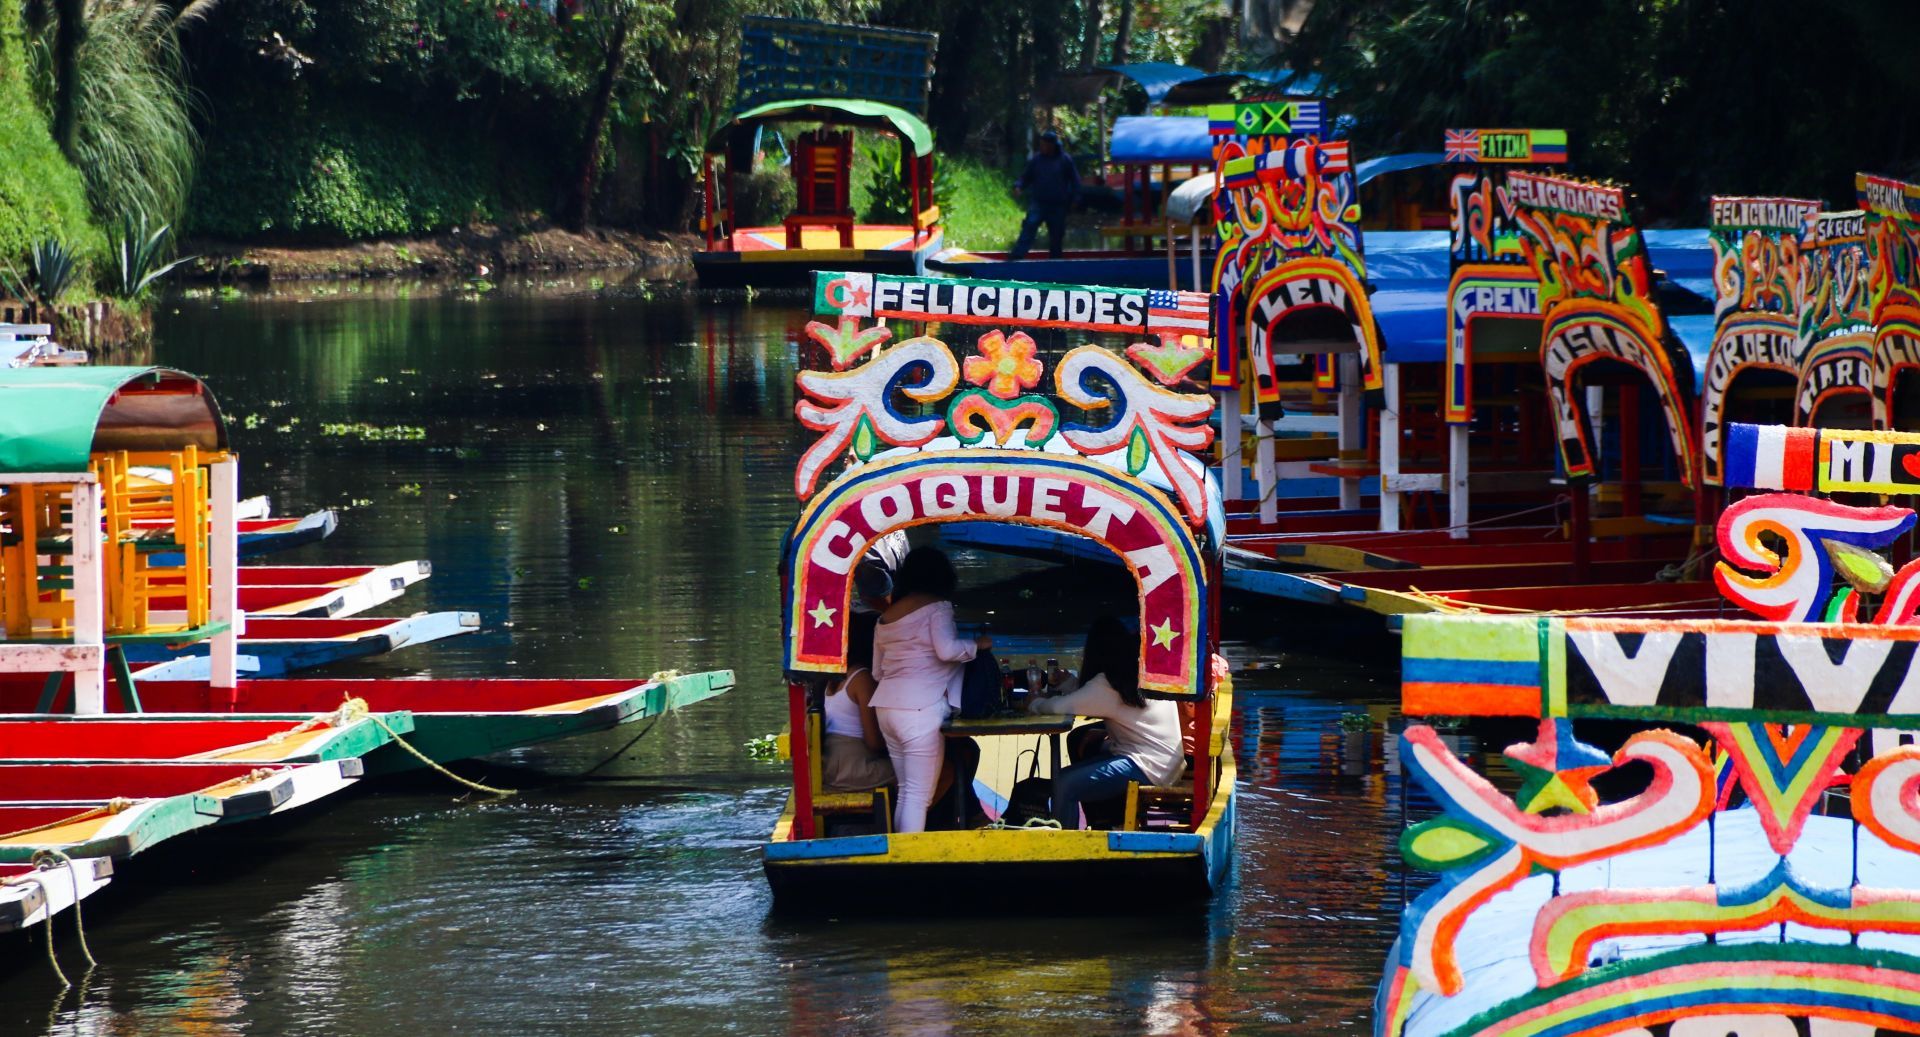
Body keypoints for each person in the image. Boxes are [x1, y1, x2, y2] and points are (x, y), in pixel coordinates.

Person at [870, 546, 990, 833]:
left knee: (906, 791)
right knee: (919, 797)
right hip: (920, 709)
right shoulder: (938, 607)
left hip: (885, 708)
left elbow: (877, 672)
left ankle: (900, 852)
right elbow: (947, 650)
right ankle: (910, 857)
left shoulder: (885, 617)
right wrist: (977, 645)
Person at [1025, 616, 1183, 829]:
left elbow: (1057, 707)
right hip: (1165, 762)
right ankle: (1100, 823)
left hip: (1148, 766)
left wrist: (1035, 702)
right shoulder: (1138, 672)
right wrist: (1070, 683)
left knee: (1063, 784)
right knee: (1069, 765)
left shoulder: (1107, 684)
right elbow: (1090, 697)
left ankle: (1063, 843)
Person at [822, 612, 895, 792]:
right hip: (854, 769)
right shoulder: (862, 678)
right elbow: (874, 742)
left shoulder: (830, 676)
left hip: (829, 768)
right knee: (936, 770)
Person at [1009, 130, 1079, 260]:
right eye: (1041, 144)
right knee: (1029, 227)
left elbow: (1075, 181)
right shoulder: (1037, 159)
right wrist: (1018, 186)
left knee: (1056, 235)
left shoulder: (1065, 160)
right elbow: (1026, 176)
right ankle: (1016, 258)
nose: (1041, 147)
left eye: (1044, 144)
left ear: (1051, 145)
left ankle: (1055, 261)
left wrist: (1075, 199)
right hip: (1039, 204)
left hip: (1058, 205)